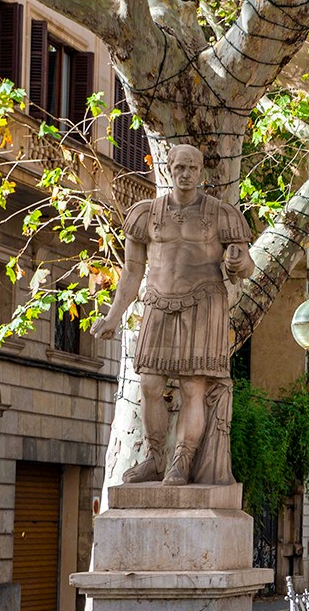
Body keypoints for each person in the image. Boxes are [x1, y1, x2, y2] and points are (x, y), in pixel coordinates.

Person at [91, 144, 254, 485]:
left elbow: (246, 266)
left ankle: (182, 462)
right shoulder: (145, 214)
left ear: (200, 172)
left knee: (192, 388)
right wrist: (113, 316)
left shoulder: (220, 214)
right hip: (159, 302)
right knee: (150, 384)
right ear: (168, 168)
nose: (185, 173)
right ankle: (155, 457)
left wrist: (239, 263)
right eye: (179, 167)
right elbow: (132, 272)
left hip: (204, 305)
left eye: (192, 168)